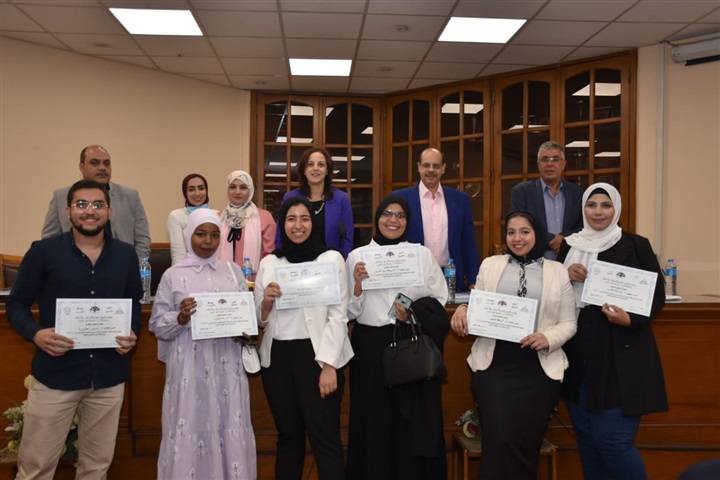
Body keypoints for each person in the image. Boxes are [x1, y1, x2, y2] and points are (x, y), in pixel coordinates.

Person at [7, 179, 142, 479]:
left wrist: (132, 332)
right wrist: (35, 333)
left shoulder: (125, 255)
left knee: (96, 467)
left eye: (97, 205)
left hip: (107, 377)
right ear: (68, 211)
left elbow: (133, 301)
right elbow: (16, 303)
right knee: (36, 468)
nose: (89, 211)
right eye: (81, 204)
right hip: (56, 376)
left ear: (110, 211)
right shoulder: (43, 252)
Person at [450, 210, 577, 479]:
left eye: (524, 232)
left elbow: (569, 323)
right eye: (511, 232)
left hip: (539, 369)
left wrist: (548, 338)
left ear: (537, 234)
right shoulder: (490, 265)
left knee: (527, 443)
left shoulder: (557, 271)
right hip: (495, 366)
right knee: (499, 439)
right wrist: (463, 309)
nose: (517, 238)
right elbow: (478, 306)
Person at [557, 182, 668, 480]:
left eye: (606, 205)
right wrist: (564, 275)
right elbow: (553, 295)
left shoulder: (635, 244)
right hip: (578, 356)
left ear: (616, 208)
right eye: (591, 205)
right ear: (583, 208)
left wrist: (630, 319)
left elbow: (656, 296)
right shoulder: (570, 245)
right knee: (587, 440)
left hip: (619, 356)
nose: (598, 212)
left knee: (613, 442)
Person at [345, 195, 449, 480]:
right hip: (370, 347)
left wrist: (413, 311)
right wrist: (357, 285)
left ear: (407, 221)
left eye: (400, 215)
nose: (393, 220)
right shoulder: (357, 257)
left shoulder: (421, 255)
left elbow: (440, 298)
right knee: (373, 418)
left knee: (410, 420)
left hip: (410, 342)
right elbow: (348, 312)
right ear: (377, 218)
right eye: (387, 214)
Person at [150, 208, 257, 480]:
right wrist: (180, 317)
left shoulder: (233, 271)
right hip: (189, 367)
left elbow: (245, 318)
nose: (208, 241)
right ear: (189, 235)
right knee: (189, 425)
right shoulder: (172, 275)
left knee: (229, 424)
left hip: (227, 367)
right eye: (200, 234)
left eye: (214, 235)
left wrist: (245, 329)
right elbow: (157, 325)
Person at [255, 196, 353, 480]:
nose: (298, 225)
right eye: (291, 219)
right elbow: (260, 319)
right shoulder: (269, 263)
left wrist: (329, 365)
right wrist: (266, 302)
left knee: (325, 439)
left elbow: (339, 315)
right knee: (289, 439)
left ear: (314, 222)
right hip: (277, 360)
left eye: (305, 218)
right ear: (282, 224)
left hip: (318, 358)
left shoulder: (331, 259)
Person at [392, 147, 480, 291]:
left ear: (443, 168)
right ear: (419, 167)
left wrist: (473, 280)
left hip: (450, 277)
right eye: (426, 165)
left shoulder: (460, 200)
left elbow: (468, 243)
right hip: (413, 278)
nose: (431, 170)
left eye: (436, 166)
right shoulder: (400, 198)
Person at [41, 145, 151, 259]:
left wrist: (136, 266)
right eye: (94, 163)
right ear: (81, 167)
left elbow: (142, 239)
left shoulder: (130, 196)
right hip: (73, 265)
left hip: (122, 265)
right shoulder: (61, 196)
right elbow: (49, 239)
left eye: (107, 163)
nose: (102, 168)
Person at [509, 140, 583, 260]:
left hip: (570, 259)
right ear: (539, 165)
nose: (549, 164)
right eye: (545, 159)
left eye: (555, 159)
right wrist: (551, 239)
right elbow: (517, 224)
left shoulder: (576, 192)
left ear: (563, 164)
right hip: (533, 259)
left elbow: (583, 226)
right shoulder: (522, 191)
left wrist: (564, 238)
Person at [276, 147, 354, 259]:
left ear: (327, 170)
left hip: (331, 264)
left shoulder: (341, 199)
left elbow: (348, 238)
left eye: (321, 165)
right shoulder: (290, 198)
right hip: (296, 262)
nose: (315, 168)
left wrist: (341, 263)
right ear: (304, 170)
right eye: (310, 164)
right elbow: (280, 236)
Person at [218, 170, 276, 272]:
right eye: (232, 187)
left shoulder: (264, 217)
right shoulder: (218, 218)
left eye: (243, 187)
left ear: (250, 190)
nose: (237, 192)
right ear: (227, 190)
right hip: (223, 279)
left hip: (254, 279)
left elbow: (269, 256)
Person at [166, 173, 210, 264]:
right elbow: (178, 255)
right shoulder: (177, 216)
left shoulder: (218, 215)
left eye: (201, 188)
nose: (197, 193)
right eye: (191, 189)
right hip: (188, 269)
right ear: (185, 193)